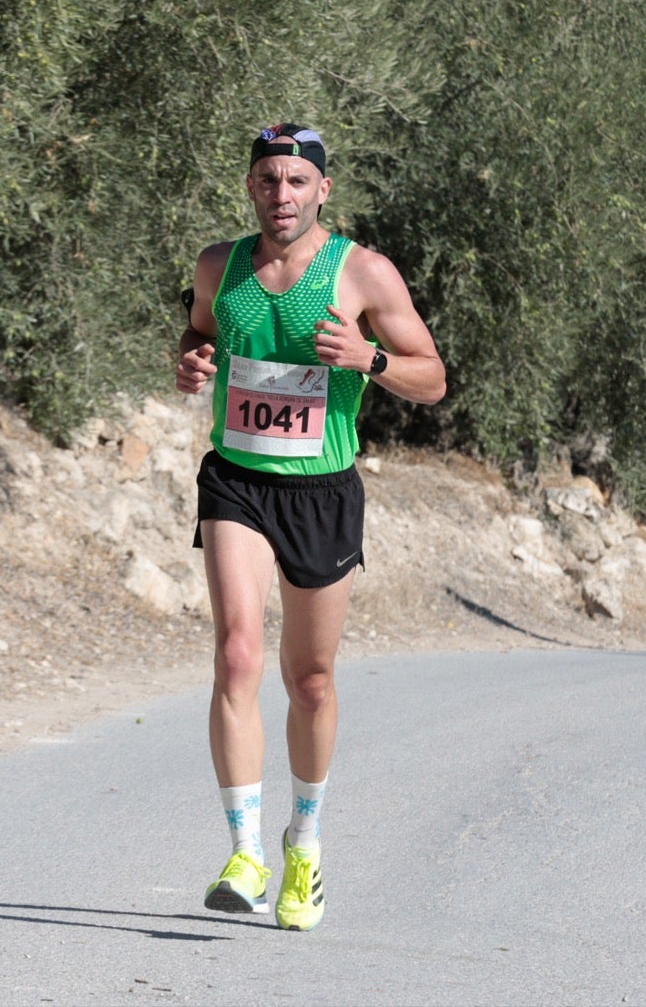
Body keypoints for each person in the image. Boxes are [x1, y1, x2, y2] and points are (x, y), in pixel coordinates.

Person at [175, 123, 446, 929]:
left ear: (323, 189)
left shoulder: (362, 271)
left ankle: (306, 844)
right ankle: (245, 849)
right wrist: (191, 357)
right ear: (250, 186)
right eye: (268, 179)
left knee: (311, 680)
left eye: (297, 181)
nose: (281, 195)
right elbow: (198, 331)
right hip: (238, 480)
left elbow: (432, 378)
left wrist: (369, 361)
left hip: (322, 490)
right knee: (236, 652)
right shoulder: (219, 265)